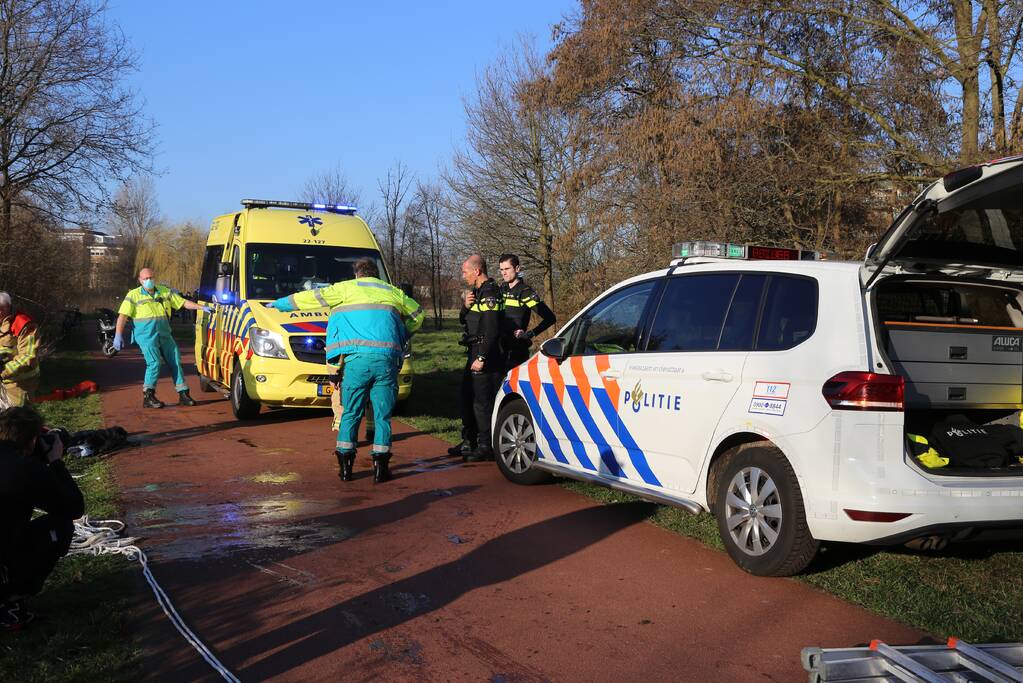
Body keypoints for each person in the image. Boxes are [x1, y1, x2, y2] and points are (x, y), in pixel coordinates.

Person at [268, 257, 423, 483]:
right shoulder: (393, 292)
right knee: (382, 416)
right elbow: (419, 315)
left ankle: (345, 469)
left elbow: (309, 298)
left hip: (356, 362)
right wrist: (402, 332)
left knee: (350, 413)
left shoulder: (344, 289)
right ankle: (381, 469)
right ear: (375, 274)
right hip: (386, 362)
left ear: (357, 274)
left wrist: (279, 304)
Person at [0, 406, 85, 631]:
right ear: (32, 441)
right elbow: (74, 508)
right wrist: (55, 461)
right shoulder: (23, 468)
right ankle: (10, 604)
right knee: (60, 526)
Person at [113, 267, 210, 408]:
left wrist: (201, 307)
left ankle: (183, 393)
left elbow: (182, 303)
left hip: (164, 334)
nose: (149, 280)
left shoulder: (164, 291)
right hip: (146, 336)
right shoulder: (133, 295)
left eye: (151, 277)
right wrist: (118, 335)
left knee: (175, 360)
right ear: (140, 280)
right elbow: (122, 316)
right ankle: (148, 396)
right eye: (145, 279)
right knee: (154, 363)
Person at [448, 255, 504, 462]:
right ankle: (469, 441)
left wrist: (482, 357)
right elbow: (464, 319)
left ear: (477, 271)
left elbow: (492, 328)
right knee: (467, 397)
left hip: (486, 354)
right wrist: (465, 306)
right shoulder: (476, 293)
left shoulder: (490, 293)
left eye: (465, 272)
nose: (463, 276)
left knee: (483, 403)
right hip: (473, 350)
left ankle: (485, 446)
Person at [497, 254, 557, 370]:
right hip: (499, 348)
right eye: (502, 270)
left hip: (516, 351)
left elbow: (550, 318)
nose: (504, 273)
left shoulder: (525, 292)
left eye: (507, 269)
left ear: (517, 269)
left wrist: (529, 334)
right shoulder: (502, 289)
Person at [0, 292, 40, 407]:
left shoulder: (24, 324)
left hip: (21, 383)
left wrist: (3, 371)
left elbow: (28, 356)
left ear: (8, 307)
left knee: (20, 420)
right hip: (3, 382)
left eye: (1, 308)